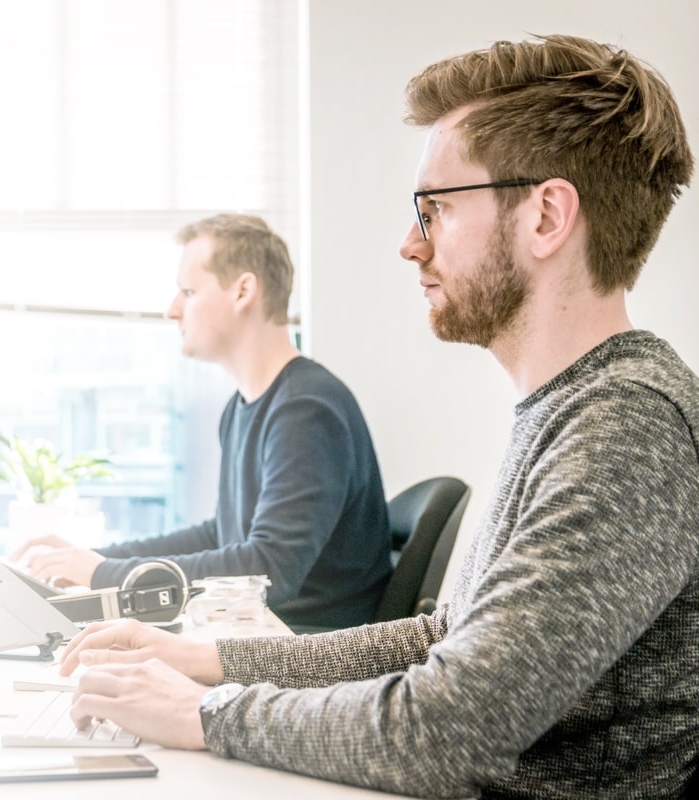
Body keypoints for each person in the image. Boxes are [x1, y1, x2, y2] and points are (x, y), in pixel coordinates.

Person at [54, 35, 699, 799]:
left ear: (545, 216)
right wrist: (208, 660)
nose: (408, 244)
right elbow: (445, 638)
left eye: (433, 211)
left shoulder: (625, 425)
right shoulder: (571, 407)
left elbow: (445, 731)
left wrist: (206, 712)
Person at [13, 213, 393, 632]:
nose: (172, 310)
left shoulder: (306, 410)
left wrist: (103, 574)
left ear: (243, 291)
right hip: (259, 634)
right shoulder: (245, 407)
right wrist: (97, 560)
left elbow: (268, 570)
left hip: (304, 652)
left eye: (189, 291)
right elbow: (223, 535)